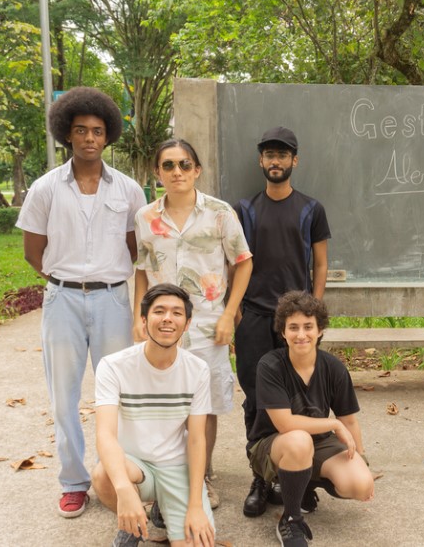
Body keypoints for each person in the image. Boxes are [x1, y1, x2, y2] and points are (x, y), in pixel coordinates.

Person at [16, 86, 146, 518]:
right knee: (63, 396)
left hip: (112, 301)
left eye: (97, 130)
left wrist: (105, 277)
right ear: (66, 135)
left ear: (107, 136)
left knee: (120, 394)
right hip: (63, 300)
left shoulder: (128, 190)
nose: (89, 138)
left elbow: (135, 247)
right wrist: (65, 279)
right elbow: (33, 251)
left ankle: (118, 476)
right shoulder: (45, 188)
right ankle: (73, 481)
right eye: (80, 130)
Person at [133, 138, 253, 508]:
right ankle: (165, 475)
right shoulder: (145, 218)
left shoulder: (219, 213)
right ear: (157, 173)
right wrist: (139, 315)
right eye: (168, 165)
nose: (177, 172)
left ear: (197, 170)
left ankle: (201, 476)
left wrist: (230, 314)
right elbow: (141, 269)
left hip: (206, 326)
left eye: (184, 165)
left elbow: (244, 262)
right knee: (161, 402)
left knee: (205, 404)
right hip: (161, 327)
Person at [233, 126, 331, 517]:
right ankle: (261, 477)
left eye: (283, 154)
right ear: (261, 161)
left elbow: (320, 263)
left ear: (295, 160)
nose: (276, 161)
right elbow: (238, 262)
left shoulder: (311, 209)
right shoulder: (245, 209)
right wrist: (236, 309)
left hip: (297, 323)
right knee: (257, 401)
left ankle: (299, 479)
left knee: (301, 398)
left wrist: (313, 312)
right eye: (269, 155)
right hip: (255, 317)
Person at [92, 283, 215, 547]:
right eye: (159, 311)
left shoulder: (198, 369)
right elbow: (105, 434)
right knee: (103, 475)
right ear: (145, 320)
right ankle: (133, 525)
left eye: (177, 313)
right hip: (135, 465)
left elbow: (196, 440)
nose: (168, 318)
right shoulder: (113, 367)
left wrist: (195, 505)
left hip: (176, 467)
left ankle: (165, 507)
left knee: (196, 543)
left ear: (187, 323)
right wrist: (124, 491)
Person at [248, 291, 374, 546]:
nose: (301, 334)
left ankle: (302, 487)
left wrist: (361, 458)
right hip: (273, 445)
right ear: (283, 332)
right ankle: (290, 520)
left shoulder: (333, 367)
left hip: (316, 443)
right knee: (298, 441)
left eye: (308, 326)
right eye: (293, 327)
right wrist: (333, 423)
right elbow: (285, 424)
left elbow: (348, 419)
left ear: (319, 330)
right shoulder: (270, 365)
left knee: (360, 484)